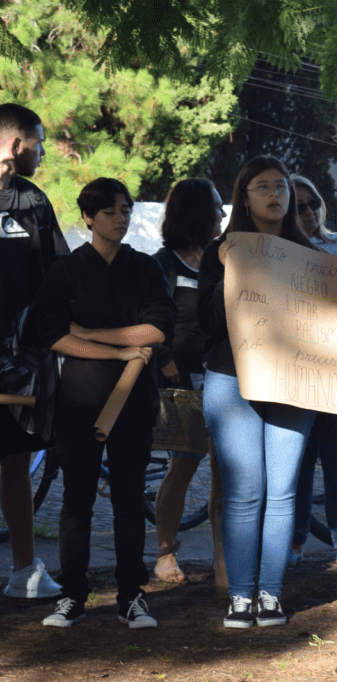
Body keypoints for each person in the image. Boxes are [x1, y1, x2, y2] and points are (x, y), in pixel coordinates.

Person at [36, 178, 175, 628]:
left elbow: (156, 330)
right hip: (78, 402)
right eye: (112, 212)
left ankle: (131, 597)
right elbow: (54, 335)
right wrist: (115, 351)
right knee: (76, 500)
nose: (122, 219)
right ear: (89, 218)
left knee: (129, 500)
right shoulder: (65, 270)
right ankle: (73, 595)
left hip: (134, 403)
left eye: (126, 210)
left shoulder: (145, 268)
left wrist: (91, 334)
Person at [197, 156, 316, 628]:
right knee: (244, 493)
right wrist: (230, 269)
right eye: (262, 186)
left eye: (281, 186)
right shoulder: (220, 251)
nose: (274, 194)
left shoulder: (312, 255)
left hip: (295, 381)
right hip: (233, 380)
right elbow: (206, 323)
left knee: (283, 493)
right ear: (243, 197)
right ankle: (241, 597)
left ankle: (271, 595)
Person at [0, 102, 66, 600]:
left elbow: (58, 277)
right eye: (39, 142)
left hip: (20, 363)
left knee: (16, 460)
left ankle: (24, 571)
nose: (42, 152)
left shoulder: (32, 201)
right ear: (16, 144)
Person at [151, 178, 225, 585]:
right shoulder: (163, 263)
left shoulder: (221, 258)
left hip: (221, 375)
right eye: (216, 205)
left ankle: (221, 558)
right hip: (178, 378)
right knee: (182, 467)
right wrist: (169, 368)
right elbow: (153, 323)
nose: (222, 213)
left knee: (224, 471)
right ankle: (165, 553)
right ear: (197, 211)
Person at [288, 175, 337, 566]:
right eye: (298, 206)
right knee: (297, 460)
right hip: (293, 371)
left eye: (312, 202)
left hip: (335, 368)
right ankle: (295, 541)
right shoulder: (278, 248)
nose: (309, 211)